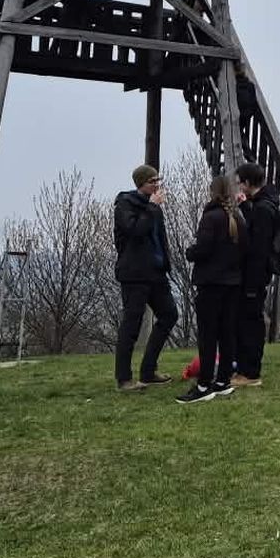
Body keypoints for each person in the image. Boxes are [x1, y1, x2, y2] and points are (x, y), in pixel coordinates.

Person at [178, 174, 244, 403]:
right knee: (227, 334)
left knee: (208, 336)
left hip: (211, 283)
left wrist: (190, 252)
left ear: (212, 192)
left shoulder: (211, 218)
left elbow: (204, 249)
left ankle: (204, 384)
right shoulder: (237, 218)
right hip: (233, 284)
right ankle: (223, 380)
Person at [111, 164, 176, 391]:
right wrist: (152, 208)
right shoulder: (125, 205)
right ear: (141, 183)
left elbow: (159, 237)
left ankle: (148, 371)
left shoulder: (153, 207)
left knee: (169, 315)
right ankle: (124, 378)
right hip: (135, 274)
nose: (157, 185)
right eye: (152, 181)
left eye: (158, 180)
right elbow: (135, 231)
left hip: (156, 273)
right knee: (132, 324)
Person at [232, 162, 280, 387]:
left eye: (239, 182)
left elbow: (257, 247)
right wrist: (245, 207)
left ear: (246, 182)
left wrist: (251, 282)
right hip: (257, 274)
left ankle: (250, 373)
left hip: (254, 276)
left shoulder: (262, 209)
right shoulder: (265, 203)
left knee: (250, 323)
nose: (238, 186)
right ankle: (245, 369)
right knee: (248, 321)